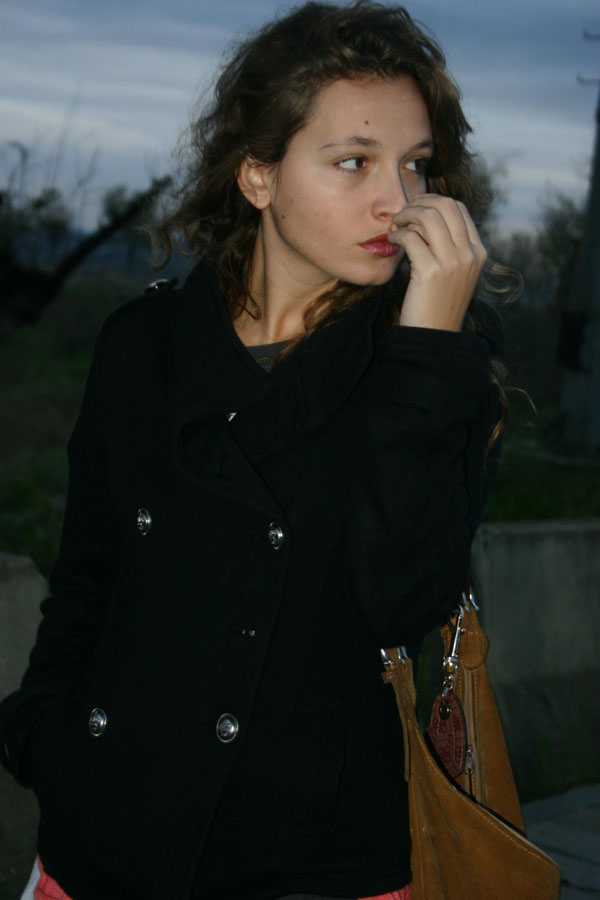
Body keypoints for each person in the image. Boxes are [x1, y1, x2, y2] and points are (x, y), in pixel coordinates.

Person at [0, 3, 506, 899]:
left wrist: (431, 346)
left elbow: (399, 603)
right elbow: (88, 578)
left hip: (315, 863)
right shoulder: (143, 346)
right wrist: (46, 741)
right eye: (354, 162)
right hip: (105, 841)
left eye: (416, 164)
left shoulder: (433, 361)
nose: (400, 202)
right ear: (258, 175)